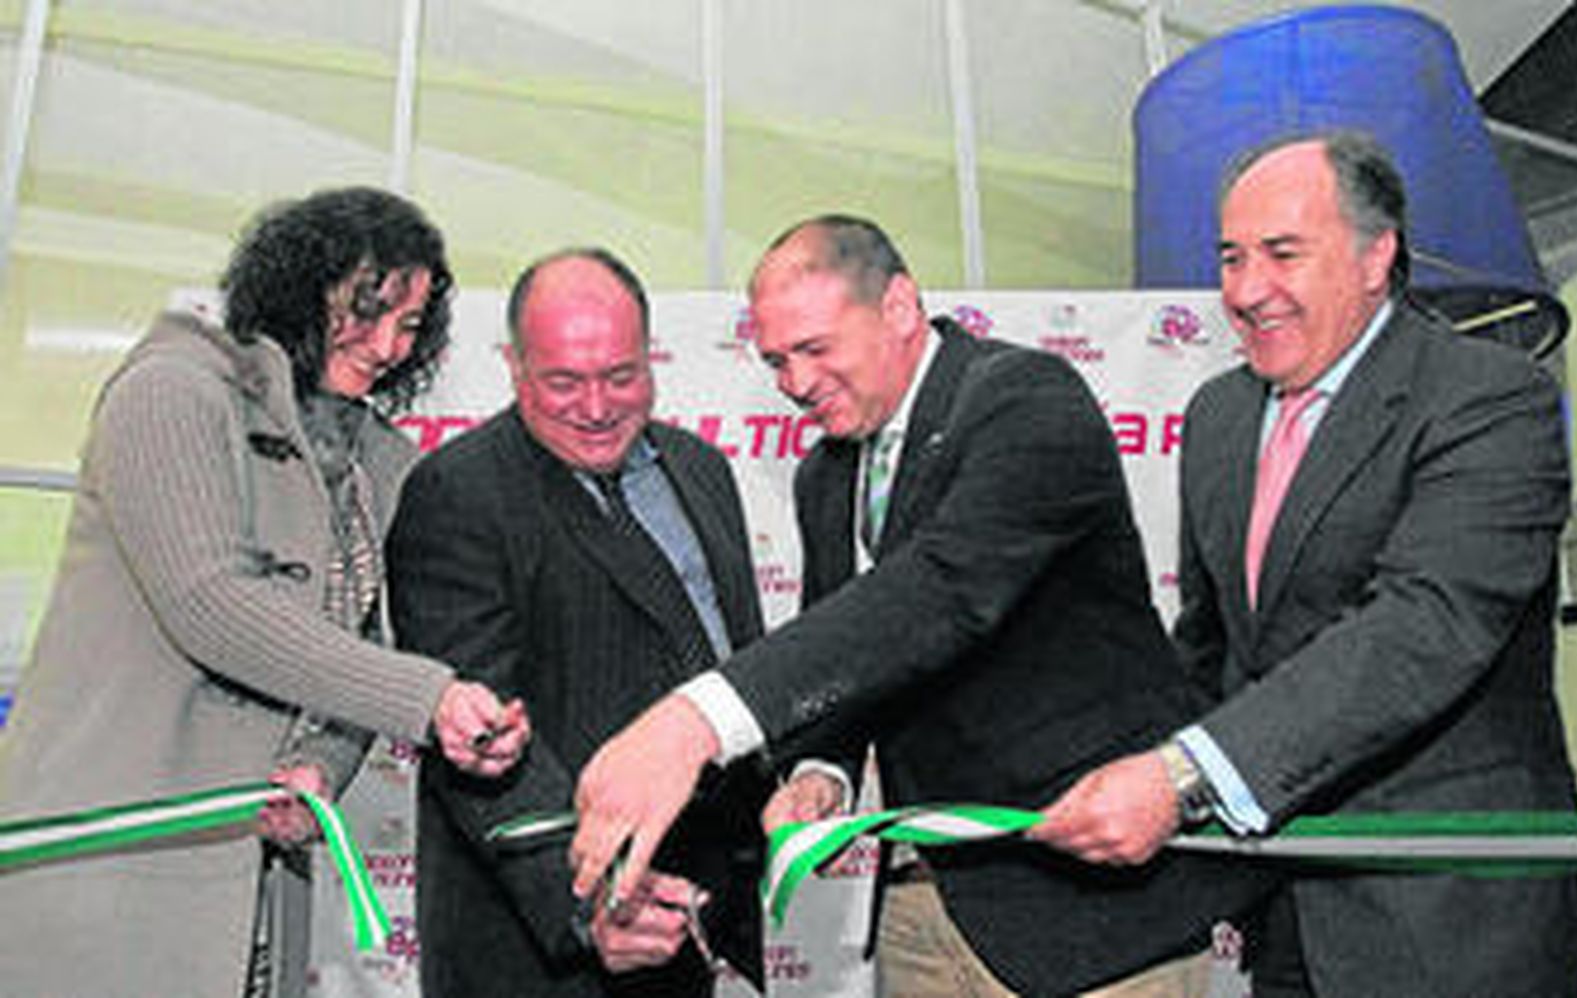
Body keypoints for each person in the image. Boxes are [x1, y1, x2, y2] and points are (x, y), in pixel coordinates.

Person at [570, 216, 1269, 995]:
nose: (795, 382)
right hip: (923, 907)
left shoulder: (1025, 398)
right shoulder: (826, 475)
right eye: (776, 361)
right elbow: (851, 652)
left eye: (815, 348)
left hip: (1093, 913)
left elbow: (945, 589)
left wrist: (695, 721)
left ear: (899, 306)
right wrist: (821, 772)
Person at [1029, 131, 1577, 997]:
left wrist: (1182, 775)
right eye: (1231, 258)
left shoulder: (1488, 396)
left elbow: (1424, 626)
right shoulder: (1219, 416)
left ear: (1376, 256)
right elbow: (1213, 650)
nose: (1247, 289)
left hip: (1454, 927)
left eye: (1283, 253)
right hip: (1286, 913)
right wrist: (1090, 763)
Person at [0, 187, 529, 998]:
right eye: (366, 309)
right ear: (296, 287)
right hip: (103, 867)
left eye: (410, 324)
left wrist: (321, 766)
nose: (387, 344)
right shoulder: (171, 392)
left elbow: (359, 642)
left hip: (254, 890)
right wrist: (430, 698)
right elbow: (211, 602)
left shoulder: (379, 463)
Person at [385, 248, 770, 998]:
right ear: (515, 368)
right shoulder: (456, 492)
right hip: (541, 946)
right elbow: (484, 741)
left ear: (651, 357)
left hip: (686, 918)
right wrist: (590, 900)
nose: (596, 408)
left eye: (621, 376)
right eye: (563, 382)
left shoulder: (701, 469)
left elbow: (735, 662)